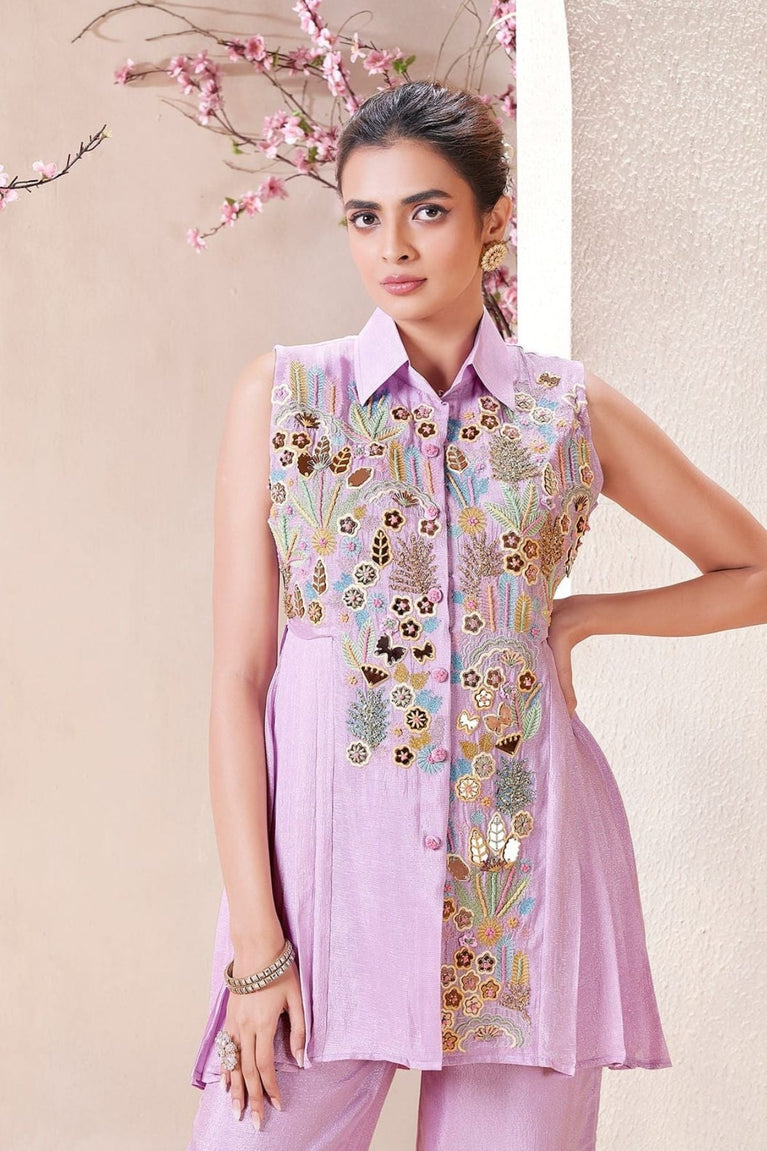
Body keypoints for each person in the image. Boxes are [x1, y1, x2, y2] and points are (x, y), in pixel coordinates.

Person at [186, 80, 767, 1151]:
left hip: (518, 878)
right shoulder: (286, 397)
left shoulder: (564, 411)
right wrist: (257, 948)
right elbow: (236, 679)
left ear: (492, 218)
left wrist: (579, 616)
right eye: (365, 216)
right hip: (324, 891)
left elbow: (752, 569)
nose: (393, 247)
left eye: (427, 210)